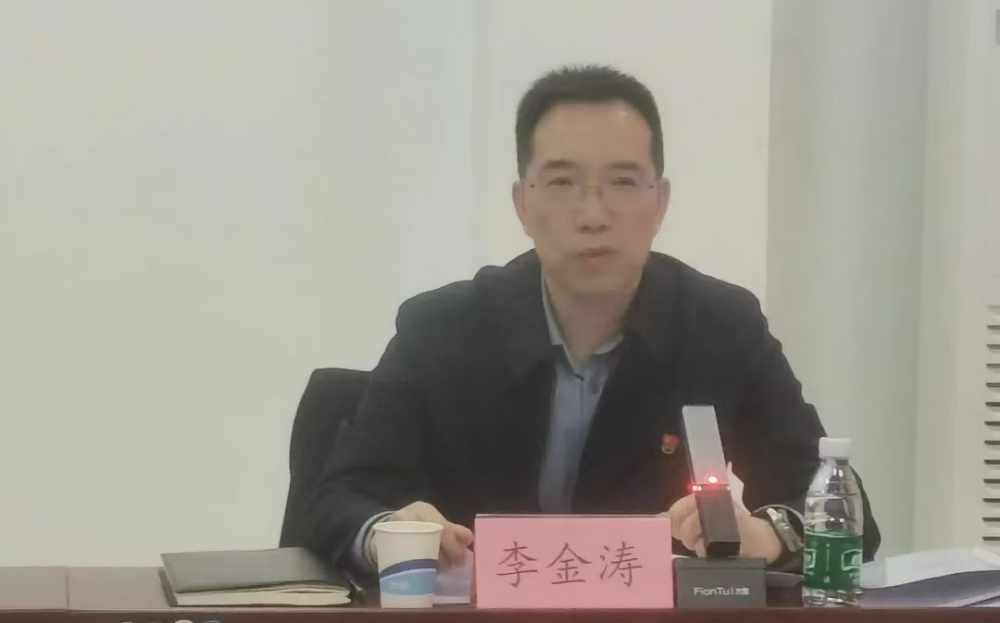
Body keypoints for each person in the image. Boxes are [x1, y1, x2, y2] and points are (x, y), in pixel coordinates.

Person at [306, 65, 880, 573]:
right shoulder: (441, 330)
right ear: (522, 204)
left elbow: (840, 509)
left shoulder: (720, 328)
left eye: (623, 183)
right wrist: (386, 533)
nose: (592, 214)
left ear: (660, 202)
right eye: (561, 183)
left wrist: (769, 535)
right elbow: (340, 498)